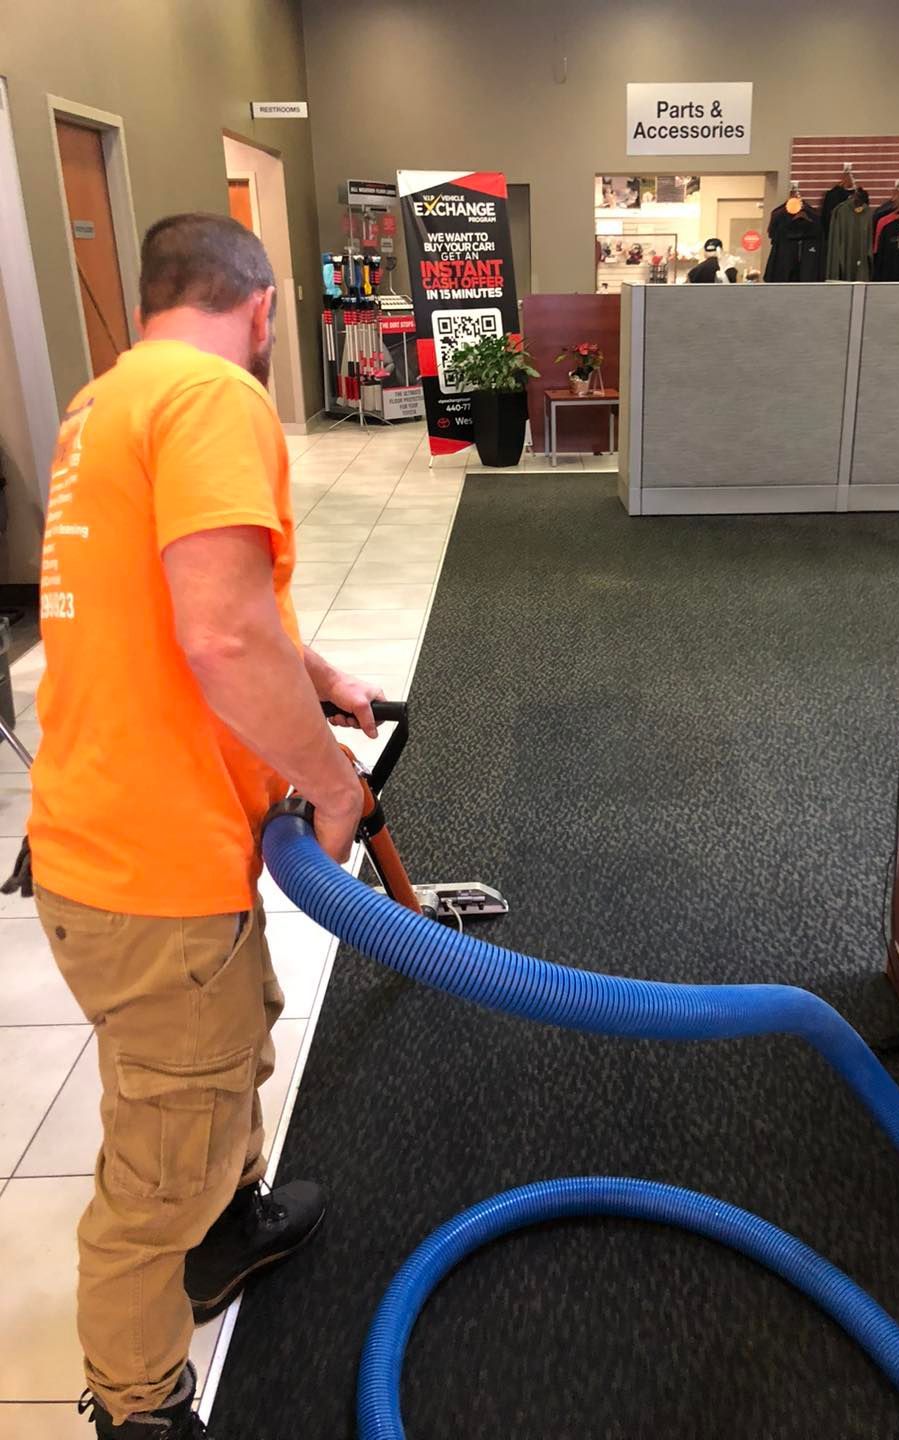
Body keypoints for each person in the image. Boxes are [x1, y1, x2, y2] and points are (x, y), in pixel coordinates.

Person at [28, 213, 382, 1438]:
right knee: (159, 1166)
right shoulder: (217, 397)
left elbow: (186, 596)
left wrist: (316, 674)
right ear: (264, 307)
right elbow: (222, 636)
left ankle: (230, 1227)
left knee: (235, 1037)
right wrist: (332, 786)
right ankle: (139, 1405)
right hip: (151, 868)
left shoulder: (107, 403)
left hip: (109, 836)